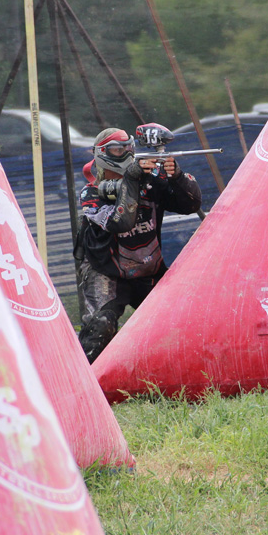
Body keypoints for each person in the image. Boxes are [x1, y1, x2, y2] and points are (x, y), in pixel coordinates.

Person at [74, 126, 202, 363]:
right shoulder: (90, 193)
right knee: (100, 328)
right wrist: (132, 179)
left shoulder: (149, 184)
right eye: (117, 149)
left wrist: (176, 176)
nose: (125, 153)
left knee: (182, 322)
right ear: (101, 153)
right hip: (106, 271)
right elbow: (121, 222)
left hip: (148, 269)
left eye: (128, 147)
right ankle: (87, 382)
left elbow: (190, 205)